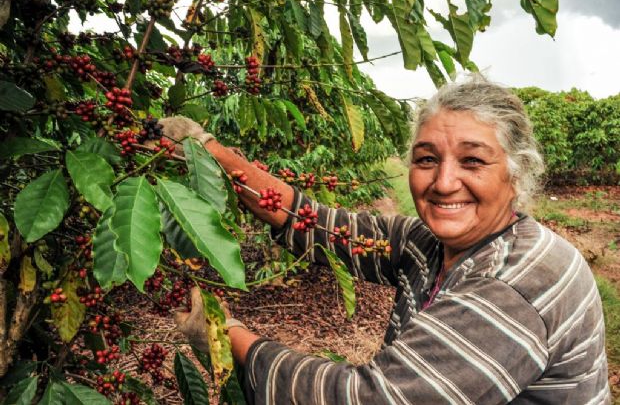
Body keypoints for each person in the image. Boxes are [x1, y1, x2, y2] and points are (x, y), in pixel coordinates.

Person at [169, 77, 611, 404]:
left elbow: (373, 399)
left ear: (516, 174)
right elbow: (311, 221)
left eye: (473, 160)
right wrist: (210, 152)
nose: (444, 182)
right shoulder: (429, 243)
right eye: (427, 159)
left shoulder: (513, 288)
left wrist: (228, 336)